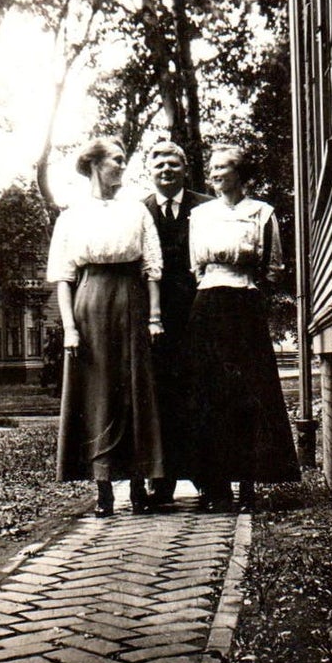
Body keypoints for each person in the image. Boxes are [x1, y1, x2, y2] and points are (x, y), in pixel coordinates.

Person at [46, 137, 165, 516]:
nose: (121, 167)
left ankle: (137, 486)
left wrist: (155, 317)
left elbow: (151, 267)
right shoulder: (72, 215)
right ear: (95, 165)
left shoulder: (136, 211)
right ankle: (103, 490)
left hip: (131, 300)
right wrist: (70, 328)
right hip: (90, 302)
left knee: (134, 389)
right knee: (98, 393)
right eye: (116, 160)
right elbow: (64, 277)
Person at [186, 144, 300, 511]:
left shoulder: (262, 213)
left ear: (240, 172)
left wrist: (249, 286)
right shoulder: (200, 215)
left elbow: (274, 266)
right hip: (207, 304)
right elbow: (195, 266)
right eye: (212, 168)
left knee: (249, 392)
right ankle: (215, 485)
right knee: (210, 391)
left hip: (244, 303)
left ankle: (248, 482)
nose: (216, 173)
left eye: (224, 167)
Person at [130, 140, 212, 511]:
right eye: (159, 164)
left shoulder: (206, 208)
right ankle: (161, 482)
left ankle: (208, 478)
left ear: (185, 170)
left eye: (173, 164)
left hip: (198, 314)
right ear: (150, 170)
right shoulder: (137, 211)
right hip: (154, 320)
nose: (166, 170)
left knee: (199, 394)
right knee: (160, 397)